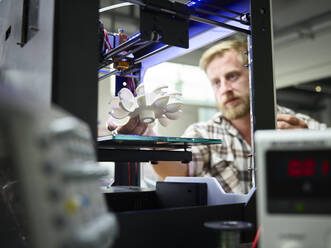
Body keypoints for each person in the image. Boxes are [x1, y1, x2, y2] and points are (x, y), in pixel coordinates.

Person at [105, 40, 326, 194]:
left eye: (232, 76)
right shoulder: (204, 133)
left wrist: (312, 148)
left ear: (256, 75)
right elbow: (178, 171)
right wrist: (147, 135)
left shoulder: (299, 124)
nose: (225, 89)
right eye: (216, 82)